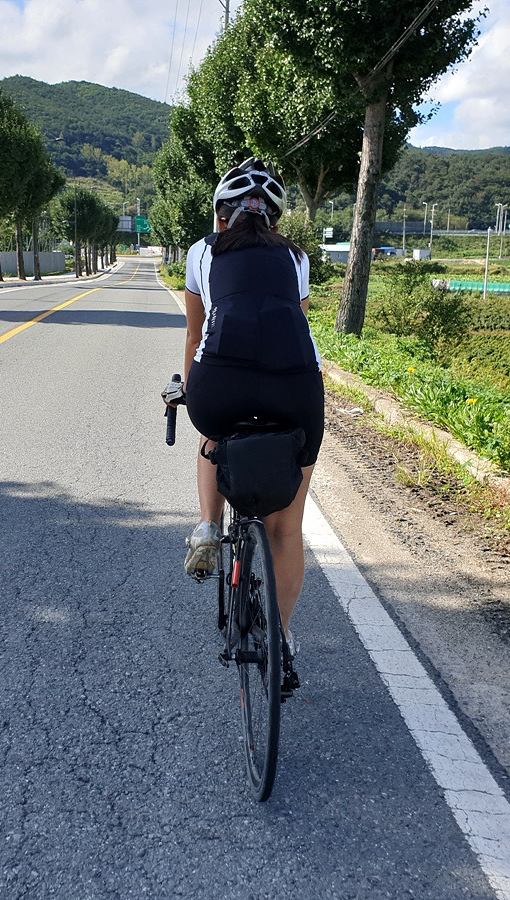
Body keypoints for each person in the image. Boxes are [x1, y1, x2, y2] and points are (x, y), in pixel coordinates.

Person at [166, 157, 324, 660]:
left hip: (221, 384)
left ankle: (208, 527)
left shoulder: (201, 251)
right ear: (275, 222)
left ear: (220, 216)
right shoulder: (296, 258)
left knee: (212, 434)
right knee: (286, 529)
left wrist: (189, 390)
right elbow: (293, 327)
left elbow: (195, 332)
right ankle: (281, 639)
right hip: (296, 389)